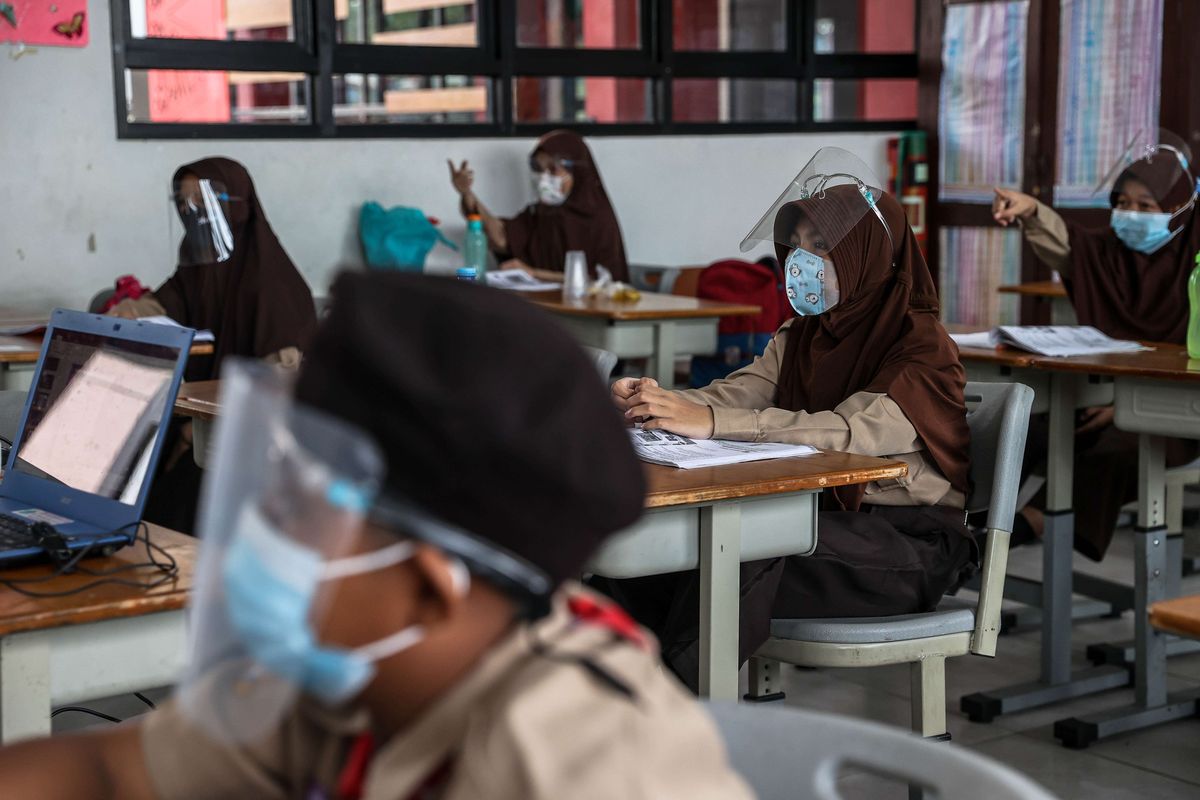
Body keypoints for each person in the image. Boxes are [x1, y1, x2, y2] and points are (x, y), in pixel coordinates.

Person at [0, 272, 752, 800]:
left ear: (426, 590)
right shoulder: (347, 683)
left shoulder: (578, 770)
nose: (262, 535)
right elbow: (110, 775)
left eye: (303, 520)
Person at [603, 149, 973, 690]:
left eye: (822, 246)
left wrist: (708, 422)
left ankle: (664, 705)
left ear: (867, 253)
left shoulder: (922, 348)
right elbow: (740, 394)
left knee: (745, 546)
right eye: (796, 245)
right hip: (821, 521)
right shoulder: (802, 335)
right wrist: (658, 402)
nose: (802, 260)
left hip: (906, 546)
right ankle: (608, 684)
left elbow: (848, 434)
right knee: (664, 546)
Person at [991, 132, 1200, 558]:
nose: (1131, 215)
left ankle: (1024, 525)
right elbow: (1064, 241)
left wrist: (1128, 401)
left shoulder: (1194, 258)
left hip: (1174, 413)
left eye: (1146, 207)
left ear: (1179, 210)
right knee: (1022, 429)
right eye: (1122, 204)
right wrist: (1031, 210)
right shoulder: (1108, 253)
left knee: (1114, 450)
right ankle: (968, 518)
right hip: (1098, 400)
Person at [110, 157, 318, 533]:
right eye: (186, 207)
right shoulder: (200, 267)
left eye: (205, 206)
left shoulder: (272, 286)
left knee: (170, 505)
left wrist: (202, 422)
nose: (196, 217)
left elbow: (280, 384)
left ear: (235, 207)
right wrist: (130, 310)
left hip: (244, 442)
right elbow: (166, 302)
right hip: (190, 422)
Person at [448, 130, 629, 282]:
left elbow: (600, 280)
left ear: (578, 172)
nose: (545, 178)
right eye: (541, 170)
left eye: (553, 170)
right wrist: (466, 193)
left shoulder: (598, 219)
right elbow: (501, 238)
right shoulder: (542, 213)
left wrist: (535, 274)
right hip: (544, 308)